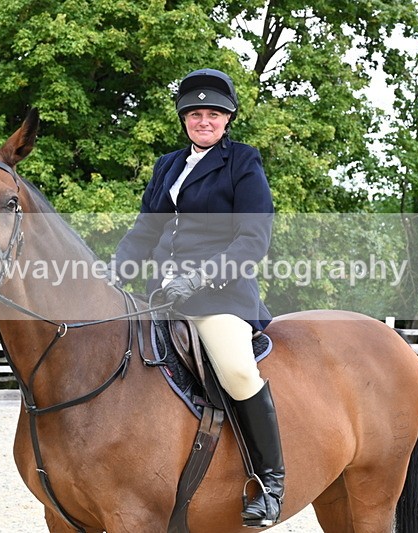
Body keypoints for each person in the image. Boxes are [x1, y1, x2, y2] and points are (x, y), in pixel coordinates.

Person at [113, 68, 283, 527]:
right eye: (195, 114)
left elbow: (253, 239)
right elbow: (144, 230)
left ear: (227, 119)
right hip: (162, 295)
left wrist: (200, 279)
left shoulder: (242, 162)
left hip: (219, 296)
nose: (203, 121)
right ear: (184, 119)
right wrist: (114, 272)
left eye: (212, 114)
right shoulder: (167, 165)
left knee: (237, 370)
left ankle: (269, 483)